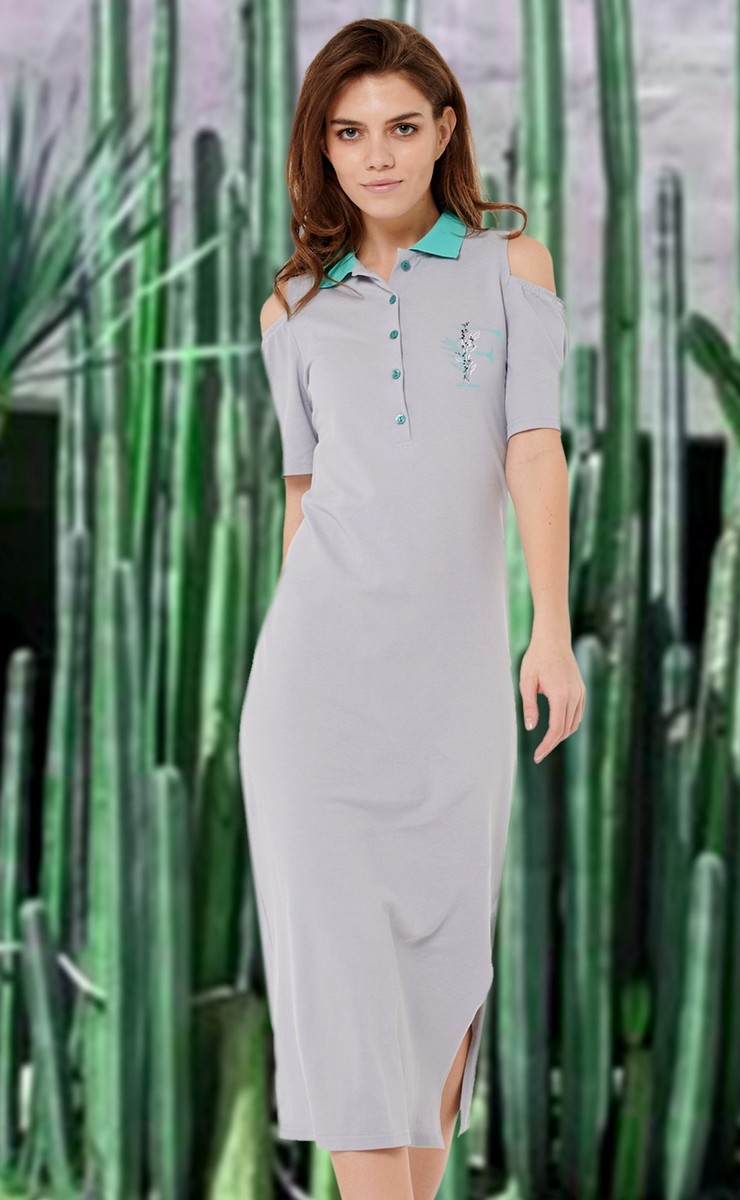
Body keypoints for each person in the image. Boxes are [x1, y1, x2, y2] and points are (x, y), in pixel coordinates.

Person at [238, 17, 586, 1200]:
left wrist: (550, 630)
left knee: (440, 998)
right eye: (347, 133)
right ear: (320, 147)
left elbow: (532, 449)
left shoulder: (510, 268)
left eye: (398, 127)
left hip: (451, 699)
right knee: (342, 1007)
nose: (375, 155)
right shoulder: (292, 306)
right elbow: (303, 496)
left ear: (443, 130)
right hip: (314, 694)